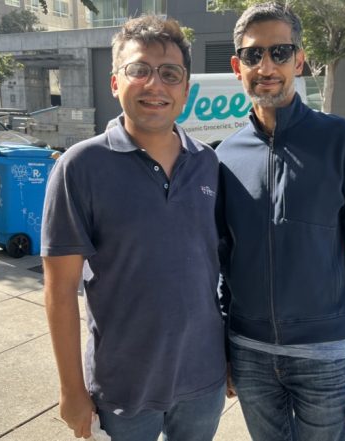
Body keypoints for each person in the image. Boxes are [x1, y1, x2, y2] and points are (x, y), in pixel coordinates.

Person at [41, 15, 226, 441]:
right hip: (121, 388)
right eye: (139, 70)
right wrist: (71, 390)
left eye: (169, 74)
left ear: (185, 90)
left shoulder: (208, 164)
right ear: (115, 83)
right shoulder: (80, 167)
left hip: (203, 383)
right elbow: (59, 291)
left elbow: (219, 268)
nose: (154, 85)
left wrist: (228, 361)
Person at [215, 2, 345, 440]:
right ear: (237, 66)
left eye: (279, 52)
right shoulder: (224, 156)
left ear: (300, 59)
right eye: (253, 55)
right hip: (249, 350)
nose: (266, 65)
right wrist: (224, 348)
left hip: (325, 350)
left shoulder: (342, 140)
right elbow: (220, 259)